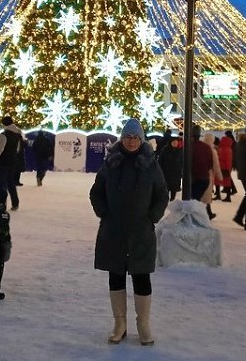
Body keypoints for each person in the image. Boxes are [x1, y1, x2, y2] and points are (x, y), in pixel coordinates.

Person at [89, 118, 168, 346]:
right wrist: (104, 212)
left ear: (141, 140)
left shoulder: (151, 164)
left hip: (141, 232)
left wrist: (152, 217)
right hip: (113, 231)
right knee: (116, 275)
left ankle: (143, 324)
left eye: (135, 137)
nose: (131, 141)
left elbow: (162, 194)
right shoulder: (111, 163)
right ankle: (120, 324)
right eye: (127, 137)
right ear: (122, 139)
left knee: (141, 277)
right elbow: (96, 192)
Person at [0, 116, 24, 211]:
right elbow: (17, 150)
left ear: (3, 124)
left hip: (2, 162)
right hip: (12, 161)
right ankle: (15, 203)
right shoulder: (18, 135)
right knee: (11, 183)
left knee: (1, 184)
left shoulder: (3, 135)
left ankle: (1, 204)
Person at [190, 125, 217, 220]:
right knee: (197, 200)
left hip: (194, 178)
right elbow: (211, 163)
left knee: (193, 200)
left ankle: (195, 219)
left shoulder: (189, 147)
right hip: (204, 178)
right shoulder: (206, 147)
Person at [201, 132, 223, 217]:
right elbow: (216, 164)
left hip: (198, 173)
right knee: (207, 194)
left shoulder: (200, 148)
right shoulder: (212, 150)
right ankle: (208, 213)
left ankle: (207, 212)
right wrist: (219, 176)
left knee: (201, 194)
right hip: (208, 174)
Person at [157, 135, 183, 201]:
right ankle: (165, 201)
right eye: (174, 142)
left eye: (176, 142)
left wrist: (181, 171)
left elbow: (182, 161)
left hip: (176, 174)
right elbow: (160, 161)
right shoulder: (165, 150)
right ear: (170, 142)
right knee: (166, 189)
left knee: (174, 190)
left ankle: (172, 201)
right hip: (166, 173)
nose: (175, 144)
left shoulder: (179, 151)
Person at [216, 131, 234, 202]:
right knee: (227, 182)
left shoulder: (223, 149)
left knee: (224, 181)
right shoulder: (229, 148)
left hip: (223, 167)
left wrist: (218, 156)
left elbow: (222, 158)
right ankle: (227, 196)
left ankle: (227, 197)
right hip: (227, 167)